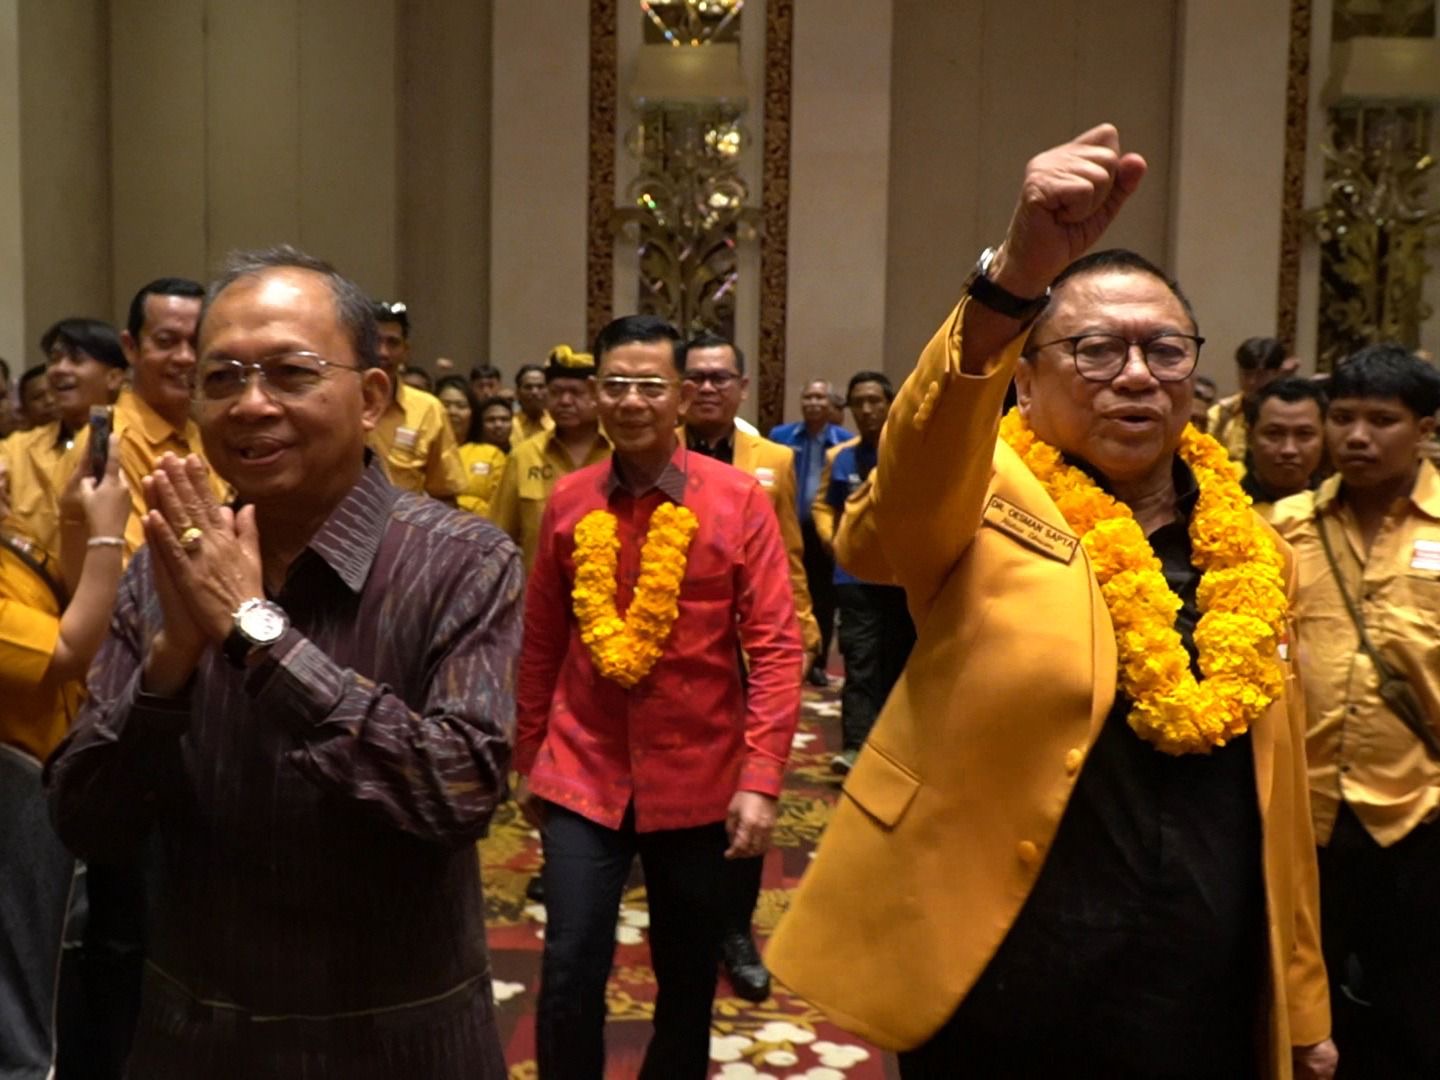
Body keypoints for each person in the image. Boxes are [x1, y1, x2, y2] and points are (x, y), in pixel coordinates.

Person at [767, 124, 1335, 1080]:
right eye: (1096, 349)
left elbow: (1276, 802)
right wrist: (1011, 282)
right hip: (1009, 966)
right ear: (1024, 381)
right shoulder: (976, 498)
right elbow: (893, 508)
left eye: (1163, 350)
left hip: (1199, 977)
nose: (1136, 375)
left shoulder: (1256, 546)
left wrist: (1304, 999)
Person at [44, 246, 521, 1079]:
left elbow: (459, 790)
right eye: (222, 379)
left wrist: (254, 631)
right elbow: (87, 821)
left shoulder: (463, 560)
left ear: (372, 397)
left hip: (396, 1043)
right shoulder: (168, 569)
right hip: (196, 1039)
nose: (251, 405)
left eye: (290, 375)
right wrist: (167, 671)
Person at [515, 314, 802, 1079]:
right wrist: (528, 756)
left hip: (701, 776)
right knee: (570, 967)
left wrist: (762, 778)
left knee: (685, 977)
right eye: (615, 384)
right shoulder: (572, 501)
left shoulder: (739, 499)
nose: (631, 401)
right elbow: (541, 640)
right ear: (594, 395)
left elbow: (775, 649)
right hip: (584, 767)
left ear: (681, 397)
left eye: (649, 386)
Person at [1270, 345, 1440, 1078]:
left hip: (1421, 810)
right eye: (1342, 418)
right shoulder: (1285, 526)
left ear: (1425, 428)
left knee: (1418, 1009)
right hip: (1304, 813)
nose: (1358, 437)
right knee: (1297, 1015)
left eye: (1382, 420)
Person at [679, 330, 820, 1003]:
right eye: (697, 378)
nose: (708, 388)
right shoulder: (657, 456)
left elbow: (790, 555)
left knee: (749, 789)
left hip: (750, 651)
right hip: (674, 650)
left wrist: (807, 632)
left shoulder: (774, 459)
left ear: (740, 388)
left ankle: (735, 929)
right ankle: (681, 920)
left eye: (720, 378)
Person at [0, 439, 128, 1079]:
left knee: (45, 976)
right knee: (19, 1014)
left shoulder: (7, 538)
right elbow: (71, 649)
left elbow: (71, 594)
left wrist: (79, 520)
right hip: (9, 787)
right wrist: (109, 538)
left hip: (44, 781)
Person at [813, 371, 916, 775]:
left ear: (891, 403)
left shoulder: (910, 451)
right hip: (854, 579)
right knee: (860, 662)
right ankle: (856, 746)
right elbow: (823, 504)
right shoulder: (841, 457)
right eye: (859, 402)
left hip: (904, 579)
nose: (868, 409)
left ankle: (894, 748)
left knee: (900, 662)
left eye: (876, 400)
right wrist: (832, 538)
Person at [116, 277, 228, 555]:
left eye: (196, 343)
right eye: (166, 342)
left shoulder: (203, 432)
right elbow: (133, 578)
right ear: (131, 347)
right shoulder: (114, 443)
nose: (185, 358)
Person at [4, 320, 127, 561]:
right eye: (54, 359)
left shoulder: (130, 440)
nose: (59, 369)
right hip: (37, 590)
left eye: (76, 360)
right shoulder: (19, 447)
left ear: (113, 377)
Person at [489, 347, 610, 572]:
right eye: (555, 392)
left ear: (597, 395)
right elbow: (498, 536)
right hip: (541, 596)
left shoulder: (620, 452)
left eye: (576, 392)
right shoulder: (524, 456)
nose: (564, 401)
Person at [769, 380, 853, 686]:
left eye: (820, 397)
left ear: (830, 404)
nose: (813, 403)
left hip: (822, 531)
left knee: (822, 598)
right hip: (787, 525)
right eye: (808, 397)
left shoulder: (843, 441)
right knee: (784, 592)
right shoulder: (781, 437)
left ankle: (816, 660)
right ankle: (785, 655)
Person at [369, 299, 466, 500]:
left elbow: (445, 494)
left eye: (392, 343)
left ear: (406, 351)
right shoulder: (338, 401)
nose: (383, 352)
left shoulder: (428, 409)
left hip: (402, 527)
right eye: (374, 341)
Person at [1242, 377, 1327, 518]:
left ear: (1324, 437)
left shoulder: (1338, 511)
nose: (1289, 449)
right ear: (1249, 437)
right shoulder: (1220, 507)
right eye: (1274, 433)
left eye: (1304, 434)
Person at [1209, 336, 1299, 461]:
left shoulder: (1293, 414)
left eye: (1261, 375)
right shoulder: (1220, 414)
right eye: (1247, 374)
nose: (1252, 382)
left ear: (1278, 373)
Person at [436, 375, 507, 517]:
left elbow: (501, 507)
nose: (452, 411)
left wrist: (460, 506)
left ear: (473, 413)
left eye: (461, 406)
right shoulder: (425, 452)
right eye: (445, 405)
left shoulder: (491, 454)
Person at [512, 360, 554, 445]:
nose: (534, 392)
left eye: (540, 386)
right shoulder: (509, 425)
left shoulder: (558, 424)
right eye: (528, 387)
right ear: (517, 393)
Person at [17, 365, 58, 432]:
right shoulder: (16, 441)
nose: (49, 401)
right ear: (24, 410)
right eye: (38, 396)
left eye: (55, 391)